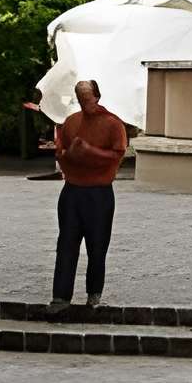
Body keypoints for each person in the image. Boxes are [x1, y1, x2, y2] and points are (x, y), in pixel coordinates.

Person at [43, 77, 131, 317]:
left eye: (88, 99)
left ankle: (94, 295)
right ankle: (60, 296)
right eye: (80, 100)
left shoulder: (113, 124)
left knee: (97, 246)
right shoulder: (71, 122)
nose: (85, 104)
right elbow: (61, 153)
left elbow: (117, 155)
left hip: (99, 193)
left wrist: (90, 151)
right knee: (66, 244)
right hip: (72, 191)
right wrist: (69, 153)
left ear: (98, 97)